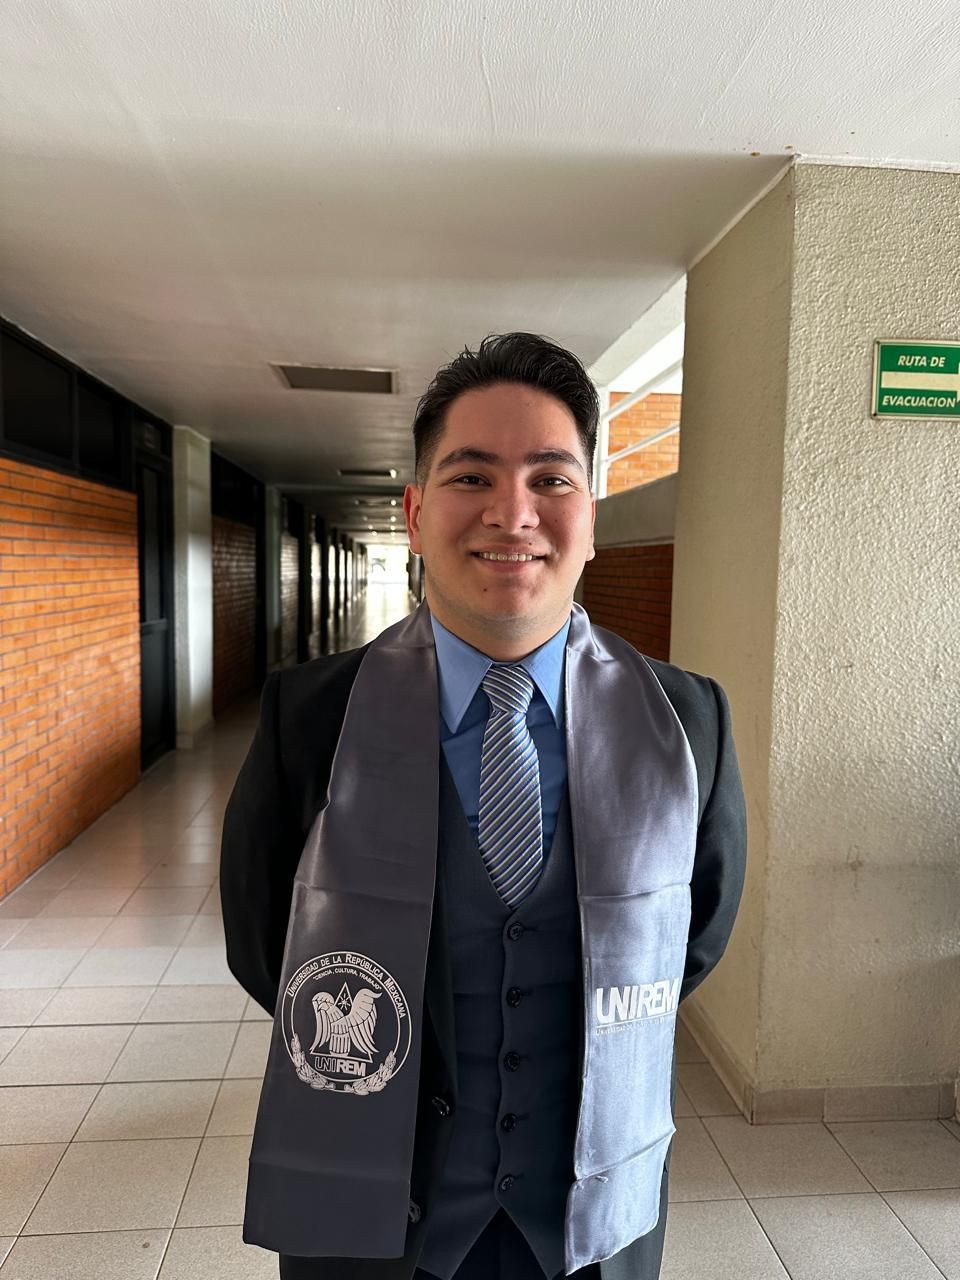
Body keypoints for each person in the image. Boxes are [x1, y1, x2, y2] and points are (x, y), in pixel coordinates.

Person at [220, 332, 747, 1280]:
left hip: (588, 1224)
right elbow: (267, 948)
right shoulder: (313, 718)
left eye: (552, 478)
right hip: (376, 1223)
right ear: (417, 512)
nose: (514, 514)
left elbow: (690, 942)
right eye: (473, 477)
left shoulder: (685, 721)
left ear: (591, 513)